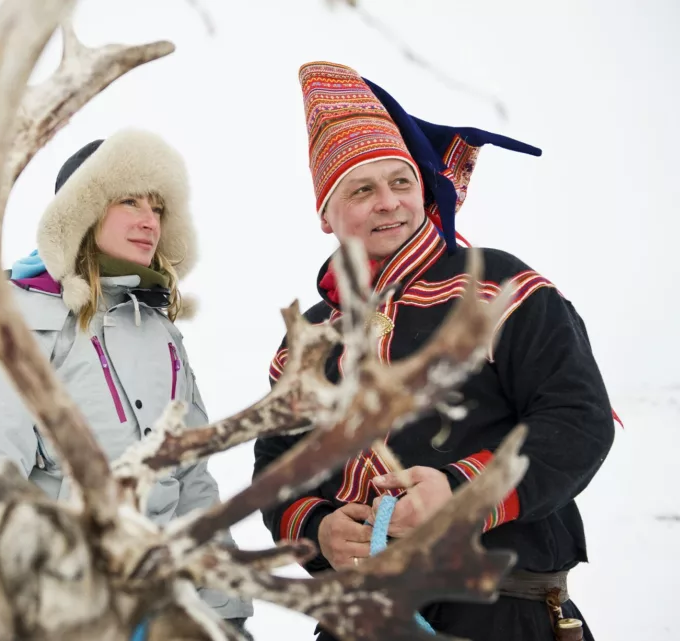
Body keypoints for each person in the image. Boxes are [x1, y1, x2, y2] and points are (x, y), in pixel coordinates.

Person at [253, 62, 617, 640]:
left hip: (502, 611)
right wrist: (317, 527)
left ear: (424, 189)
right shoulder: (310, 337)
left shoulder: (501, 287)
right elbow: (278, 464)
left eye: (401, 182)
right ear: (326, 213)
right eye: (362, 189)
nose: (389, 202)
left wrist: (457, 490)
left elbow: (578, 420)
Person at [0, 128, 253, 628]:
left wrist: (225, 609)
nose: (148, 220)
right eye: (129, 201)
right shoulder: (19, 321)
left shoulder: (161, 331)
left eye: (157, 207)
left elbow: (192, 479)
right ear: (84, 211)